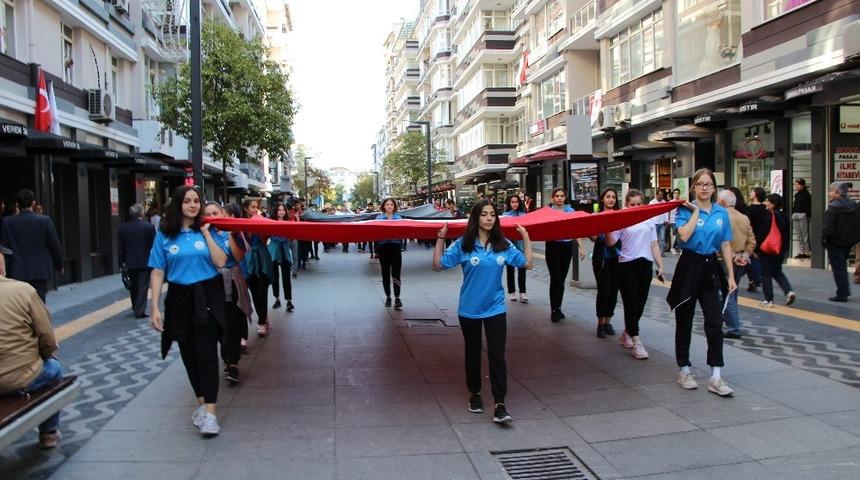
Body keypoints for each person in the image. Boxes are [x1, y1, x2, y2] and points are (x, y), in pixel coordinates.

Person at [433, 199, 533, 424]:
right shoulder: (463, 244)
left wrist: (525, 237)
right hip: (469, 310)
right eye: (484, 214)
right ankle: (475, 394)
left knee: (498, 355)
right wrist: (440, 238)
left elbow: (527, 264)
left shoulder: (504, 244)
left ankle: (500, 403)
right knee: (473, 354)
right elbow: (439, 264)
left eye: (492, 214)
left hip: (496, 308)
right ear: (476, 218)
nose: (489, 218)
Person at [148, 185, 228, 436]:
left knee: (206, 355)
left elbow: (221, 262)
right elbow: (158, 271)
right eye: (187, 201)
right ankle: (203, 406)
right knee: (189, 356)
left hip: (207, 296)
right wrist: (154, 308)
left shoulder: (208, 230)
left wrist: (206, 235)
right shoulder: (164, 235)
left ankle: (211, 415)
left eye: (196, 201)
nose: (193, 205)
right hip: (179, 300)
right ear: (178, 204)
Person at [667, 168, 737, 397]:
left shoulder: (721, 213)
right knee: (684, 320)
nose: (705, 187)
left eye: (708, 184)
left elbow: (725, 244)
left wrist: (731, 275)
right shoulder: (684, 210)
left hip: (710, 267)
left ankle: (716, 375)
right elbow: (684, 236)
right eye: (700, 184)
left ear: (714, 188)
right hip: (688, 266)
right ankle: (684, 369)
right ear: (694, 187)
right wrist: (696, 211)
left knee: (715, 322)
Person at [0, 247, 64, 449]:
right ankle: (48, 433)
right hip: (21, 380)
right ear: (2, 266)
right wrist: (46, 355)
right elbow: (47, 339)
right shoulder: (23, 291)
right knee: (54, 368)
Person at [606, 189, 664, 359]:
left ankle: (627, 331)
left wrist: (660, 265)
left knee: (640, 303)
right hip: (626, 265)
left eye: (639, 204)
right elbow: (611, 242)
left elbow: (654, 244)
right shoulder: (622, 218)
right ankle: (636, 341)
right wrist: (609, 226)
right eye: (633, 204)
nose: (636, 207)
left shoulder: (648, 218)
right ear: (626, 204)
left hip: (645, 264)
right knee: (631, 303)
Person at [203, 202, 251, 384]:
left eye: (215, 213)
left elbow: (239, 257)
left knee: (233, 322)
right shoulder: (202, 235)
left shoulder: (234, 233)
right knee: (217, 324)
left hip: (232, 282)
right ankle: (226, 357)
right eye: (208, 214)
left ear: (222, 213)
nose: (212, 217)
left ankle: (233, 362)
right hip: (211, 284)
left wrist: (230, 233)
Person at [0, 189, 63, 302]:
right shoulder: (45, 221)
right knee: (38, 304)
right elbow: (54, 245)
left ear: (17, 205)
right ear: (33, 203)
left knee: (20, 305)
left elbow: (4, 248)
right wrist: (59, 265)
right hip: (39, 271)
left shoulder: (7, 222)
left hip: (16, 272)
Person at [717, 189, 756, 339]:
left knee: (726, 293)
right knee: (733, 291)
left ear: (721, 202)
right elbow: (751, 241)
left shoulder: (720, 217)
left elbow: (718, 241)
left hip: (724, 260)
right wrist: (744, 255)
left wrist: (732, 255)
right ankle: (724, 322)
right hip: (741, 260)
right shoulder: (744, 218)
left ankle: (733, 327)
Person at [544, 188, 585, 322]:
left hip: (567, 247)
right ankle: (553, 310)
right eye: (557, 196)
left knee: (561, 279)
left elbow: (575, 229)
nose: (560, 198)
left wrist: (581, 247)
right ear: (552, 198)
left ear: (565, 197)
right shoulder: (548, 212)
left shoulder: (571, 211)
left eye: (562, 196)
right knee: (555, 278)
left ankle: (558, 307)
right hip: (552, 246)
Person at [590, 188, 620, 338]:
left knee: (614, 291)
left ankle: (608, 321)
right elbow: (593, 237)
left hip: (617, 258)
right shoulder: (597, 216)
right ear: (602, 199)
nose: (611, 199)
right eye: (608, 197)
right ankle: (600, 323)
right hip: (601, 258)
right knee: (604, 290)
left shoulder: (621, 216)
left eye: (613, 197)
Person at [118, 203, 157, 318]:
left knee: (133, 285)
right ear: (141, 213)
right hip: (145, 261)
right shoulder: (148, 227)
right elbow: (154, 245)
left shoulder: (123, 228)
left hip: (129, 262)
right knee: (142, 286)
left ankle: (135, 305)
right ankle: (139, 310)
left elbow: (120, 247)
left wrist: (121, 263)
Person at [757, 193, 796, 308]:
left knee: (766, 274)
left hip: (768, 250)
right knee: (777, 271)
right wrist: (785, 248)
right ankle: (789, 291)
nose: (766, 203)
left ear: (773, 204)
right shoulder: (784, 215)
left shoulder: (770, 216)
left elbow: (762, 233)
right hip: (780, 249)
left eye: (768, 201)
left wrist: (757, 248)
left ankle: (768, 299)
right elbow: (787, 234)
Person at [242, 198, 274, 337]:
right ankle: (263, 316)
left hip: (262, 258)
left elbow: (265, 240)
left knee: (262, 291)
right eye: (252, 207)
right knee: (254, 292)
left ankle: (261, 321)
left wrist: (260, 225)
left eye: (257, 207)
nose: (255, 209)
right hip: (249, 259)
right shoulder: (242, 223)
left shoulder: (262, 220)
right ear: (246, 209)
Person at [822, 182, 858, 302]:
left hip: (835, 242)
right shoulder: (853, 205)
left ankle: (842, 293)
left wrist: (825, 239)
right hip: (848, 241)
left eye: (831, 190)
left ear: (837, 193)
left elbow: (828, 227)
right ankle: (845, 290)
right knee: (842, 266)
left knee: (839, 268)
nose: (829, 193)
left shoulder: (833, 207)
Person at [376, 198, 404, 310]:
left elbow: (403, 232)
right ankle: (388, 297)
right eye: (387, 204)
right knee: (385, 273)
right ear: (383, 206)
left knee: (396, 274)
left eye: (391, 204)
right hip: (383, 248)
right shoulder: (378, 218)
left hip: (396, 248)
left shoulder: (399, 218)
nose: (389, 206)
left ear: (394, 206)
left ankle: (397, 298)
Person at [268, 203, 294, 312]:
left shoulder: (289, 223)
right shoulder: (271, 223)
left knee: (286, 278)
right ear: (276, 211)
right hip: (274, 251)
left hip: (285, 252)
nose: (281, 212)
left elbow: (292, 237)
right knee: (275, 278)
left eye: (283, 210)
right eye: (279, 210)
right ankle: (277, 299)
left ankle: (289, 301)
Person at [502, 194, 528, 303]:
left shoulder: (524, 215)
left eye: (516, 202)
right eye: (512, 202)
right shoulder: (505, 215)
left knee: (522, 268)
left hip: (521, 245)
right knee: (510, 269)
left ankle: (523, 292)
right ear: (509, 203)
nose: (514, 204)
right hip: (509, 246)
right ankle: (512, 292)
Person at [745, 187, 767, 293]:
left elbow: (748, 225)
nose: (750, 193)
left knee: (752, 259)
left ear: (757, 195)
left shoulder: (750, 209)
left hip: (753, 236)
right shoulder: (765, 208)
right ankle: (757, 278)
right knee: (759, 258)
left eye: (752, 192)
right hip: (764, 237)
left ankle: (755, 279)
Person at [792, 178, 812, 259]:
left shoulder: (807, 195)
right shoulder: (796, 195)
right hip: (796, 214)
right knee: (799, 234)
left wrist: (808, 215)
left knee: (805, 234)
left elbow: (808, 206)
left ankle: (807, 252)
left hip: (803, 215)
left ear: (803, 185)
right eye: (796, 184)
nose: (796, 186)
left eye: (798, 184)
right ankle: (801, 251)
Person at [648, 189, 669, 254]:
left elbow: (666, 211)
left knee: (662, 238)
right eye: (660, 195)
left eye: (662, 195)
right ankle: (652, 252)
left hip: (662, 223)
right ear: (656, 195)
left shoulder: (664, 202)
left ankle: (661, 252)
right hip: (654, 223)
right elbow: (649, 213)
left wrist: (666, 220)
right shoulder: (652, 203)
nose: (661, 196)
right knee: (654, 239)